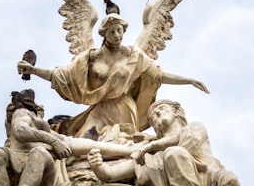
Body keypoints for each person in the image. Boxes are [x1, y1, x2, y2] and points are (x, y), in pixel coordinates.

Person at [17, 14, 208, 138]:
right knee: (85, 138)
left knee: (120, 142)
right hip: (101, 108)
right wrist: (33, 70)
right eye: (112, 31)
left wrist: (189, 80)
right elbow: (62, 77)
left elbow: (157, 75)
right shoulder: (90, 58)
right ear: (104, 35)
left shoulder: (133, 55)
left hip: (124, 107)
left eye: (120, 30)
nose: (117, 35)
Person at [87, 99, 247, 186]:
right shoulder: (151, 154)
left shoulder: (194, 128)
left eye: (162, 108)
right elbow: (112, 174)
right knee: (173, 154)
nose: (156, 113)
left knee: (230, 179)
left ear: (177, 111)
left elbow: (187, 140)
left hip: (211, 182)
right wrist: (98, 167)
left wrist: (154, 145)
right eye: (152, 118)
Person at [0, 90, 142, 186]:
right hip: (17, 163)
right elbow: (19, 131)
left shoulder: (55, 137)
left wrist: (128, 149)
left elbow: (88, 145)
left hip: (42, 179)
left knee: (38, 152)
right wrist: (51, 140)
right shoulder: (26, 122)